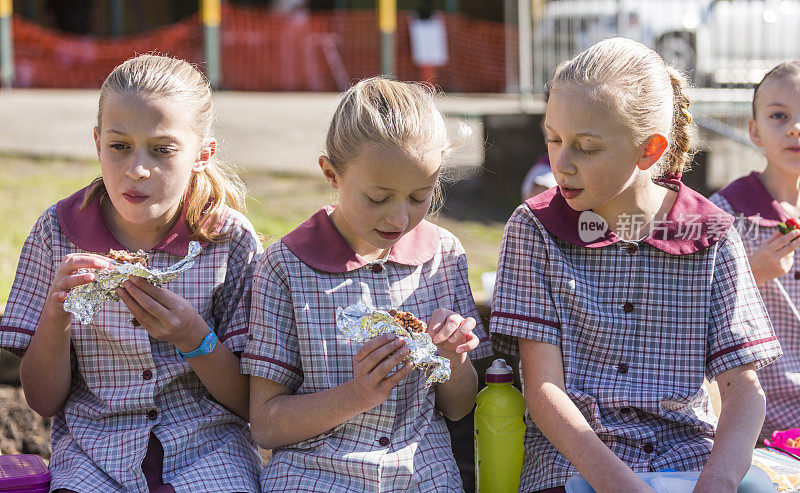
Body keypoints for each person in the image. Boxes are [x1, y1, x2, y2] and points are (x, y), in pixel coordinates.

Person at [490, 38, 781, 493]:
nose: (561, 164)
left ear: (648, 151)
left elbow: (743, 390)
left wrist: (718, 482)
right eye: (553, 138)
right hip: (576, 466)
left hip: (690, 457)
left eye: (586, 147)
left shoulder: (714, 234)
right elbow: (543, 390)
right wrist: (621, 485)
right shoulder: (534, 228)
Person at [0, 54, 262, 492]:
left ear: (202, 154)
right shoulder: (56, 234)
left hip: (209, 449)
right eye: (120, 146)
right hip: (94, 454)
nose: (137, 169)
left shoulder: (229, 241)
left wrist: (195, 339)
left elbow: (250, 402)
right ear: (98, 143)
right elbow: (42, 402)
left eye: (162, 150)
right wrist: (56, 315)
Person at [244, 77, 492, 492]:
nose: (398, 219)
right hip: (314, 475)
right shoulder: (284, 267)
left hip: (422, 475)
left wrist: (453, 356)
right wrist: (357, 395)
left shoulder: (442, 255)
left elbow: (459, 406)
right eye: (378, 198)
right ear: (331, 173)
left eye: (419, 197)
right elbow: (266, 424)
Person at [710, 60, 800, 440]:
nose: (795, 128)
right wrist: (752, 272)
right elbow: (689, 306)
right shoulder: (725, 212)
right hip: (763, 418)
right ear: (754, 131)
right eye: (779, 115)